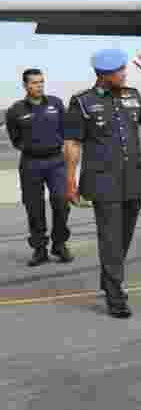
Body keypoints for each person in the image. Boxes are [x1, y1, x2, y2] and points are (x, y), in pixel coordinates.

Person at [63, 49, 141, 318]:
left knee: (124, 237)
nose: (124, 74)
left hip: (132, 180)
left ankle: (109, 278)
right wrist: (70, 180)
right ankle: (115, 296)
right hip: (103, 181)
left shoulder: (132, 96)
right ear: (104, 75)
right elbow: (72, 143)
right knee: (110, 238)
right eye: (120, 72)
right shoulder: (82, 102)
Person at [5, 68, 72, 266]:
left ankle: (59, 244)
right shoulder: (15, 110)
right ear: (25, 85)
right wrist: (30, 148)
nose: (39, 86)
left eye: (41, 82)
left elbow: (65, 129)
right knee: (34, 207)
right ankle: (39, 249)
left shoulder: (56, 104)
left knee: (62, 202)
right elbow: (14, 137)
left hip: (56, 161)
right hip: (30, 163)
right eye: (34, 83)